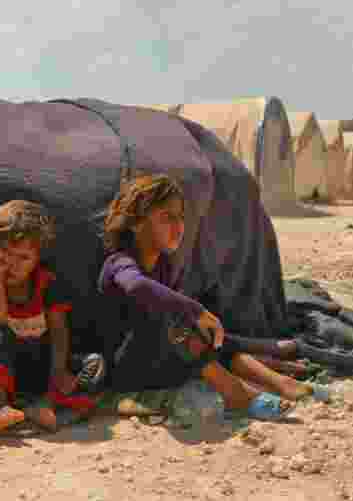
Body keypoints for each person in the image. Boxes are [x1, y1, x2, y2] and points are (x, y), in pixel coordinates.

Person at [96, 174, 330, 420]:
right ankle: (237, 394)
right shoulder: (119, 263)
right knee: (177, 316)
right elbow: (136, 287)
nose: (178, 227)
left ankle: (280, 382)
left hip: (161, 363)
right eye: (167, 218)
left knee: (203, 332)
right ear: (136, 223)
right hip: (128, 370)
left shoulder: (163, 265)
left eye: (180, 218)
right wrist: (195, 310)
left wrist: (257, 347)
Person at [0, 200, 106, 433]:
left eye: (23, 258)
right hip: (6, 372)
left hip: (42, 370)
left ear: (37, 258)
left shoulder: (47, 283)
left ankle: (41, 407)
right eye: (7, 256)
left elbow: (58, 330)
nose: (13, 265)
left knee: (94, 363)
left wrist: (58, 371)